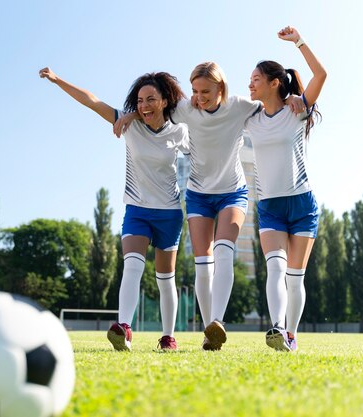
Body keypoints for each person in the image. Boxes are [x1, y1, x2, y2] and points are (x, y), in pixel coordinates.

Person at [116, 63, 304, 350]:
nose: (199, 98)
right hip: (199, 194)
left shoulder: (240, 106)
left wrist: (290, 98)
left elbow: (270, 103)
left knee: (224, 252)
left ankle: (217, 321)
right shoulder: (184, 109)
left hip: (233, 192)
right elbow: (152, 111)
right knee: (203, 266)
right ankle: (209, 333)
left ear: (221, 89)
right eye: (194, 91)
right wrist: (129, 114)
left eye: (205, 91)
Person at [39, 67, 189, 351]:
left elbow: (203, 142)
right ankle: (124, 327)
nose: (144, 105)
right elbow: (91, 100)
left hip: (169, 212)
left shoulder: (180, 131)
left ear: (165, 101)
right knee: (132, 265)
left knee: (165, 278)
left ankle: (168, 337)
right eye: (140, 100)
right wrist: (58, 79)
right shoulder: (128, 123)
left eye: (150, 99)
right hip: (137, 210)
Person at [245, 26, 327, 352]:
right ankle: (277, 328)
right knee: (275, 268)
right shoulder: (249, 118)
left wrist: (299, 42)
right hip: (270, 205)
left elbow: (321, 74)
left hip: (302, 204)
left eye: (255, 79)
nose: (249, 84)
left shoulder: (297, 110)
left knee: (295, 277)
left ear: (274, 82)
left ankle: (291, 336)